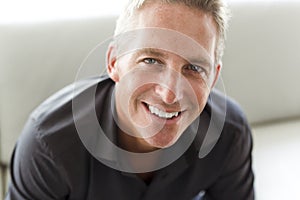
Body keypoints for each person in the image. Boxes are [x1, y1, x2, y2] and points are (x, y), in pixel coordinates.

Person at [6, 0, 255, 199]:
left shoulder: (229, 133)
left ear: (213, 78)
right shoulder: (49, 145)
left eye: (194, 68)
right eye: (150, 60)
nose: (170, 94)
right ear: (114, 62)